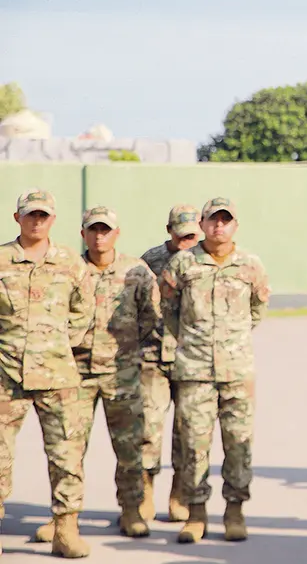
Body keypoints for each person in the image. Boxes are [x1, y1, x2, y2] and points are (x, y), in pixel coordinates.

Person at [34, 206, 160, 543]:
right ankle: (64, 518)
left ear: (117, 233)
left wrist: (129, 347)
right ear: (83, 234)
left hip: (123, 374)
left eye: (106, 230)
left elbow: (151, 316)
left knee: (130, 447)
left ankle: (131, 510)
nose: (99, 236)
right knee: (67, 450)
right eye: (93, 230)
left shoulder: (136, 270)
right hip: (75, 374)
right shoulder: (67, 269)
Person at [160, 197, 270, 544]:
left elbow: (257, 309)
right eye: (212, 220)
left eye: (226, 220)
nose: (219, 226)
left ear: (235, 225)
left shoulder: (250, 265)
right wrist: (194, 342)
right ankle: (196, 513)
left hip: (237, 370)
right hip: (194, 370)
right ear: (203, 224)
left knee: (238, 444)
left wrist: (230, 343)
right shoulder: (182, 264)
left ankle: (234, 510)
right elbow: (168, 309)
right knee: (193, 444)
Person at [0, 189, 94, 558]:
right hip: (5, 374)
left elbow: (83, 312)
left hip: (58, 376)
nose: (37, 221)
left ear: (53, 220)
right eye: (30, 215)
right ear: (17, 218)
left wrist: (54, 344)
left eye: (43, 215)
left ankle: (66, 529)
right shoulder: (1, 259)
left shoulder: (70, 262)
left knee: (66, 454)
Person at [139, 204, 201, 522]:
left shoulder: (203, 261)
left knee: (186, 432)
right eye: (182, 236)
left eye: (193, 236)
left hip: (191, 358)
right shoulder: (149, 261)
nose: (188, 242)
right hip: (152, 356)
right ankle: (145, 492)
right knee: (149, 427)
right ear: (170, 232)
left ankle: (179, 495)